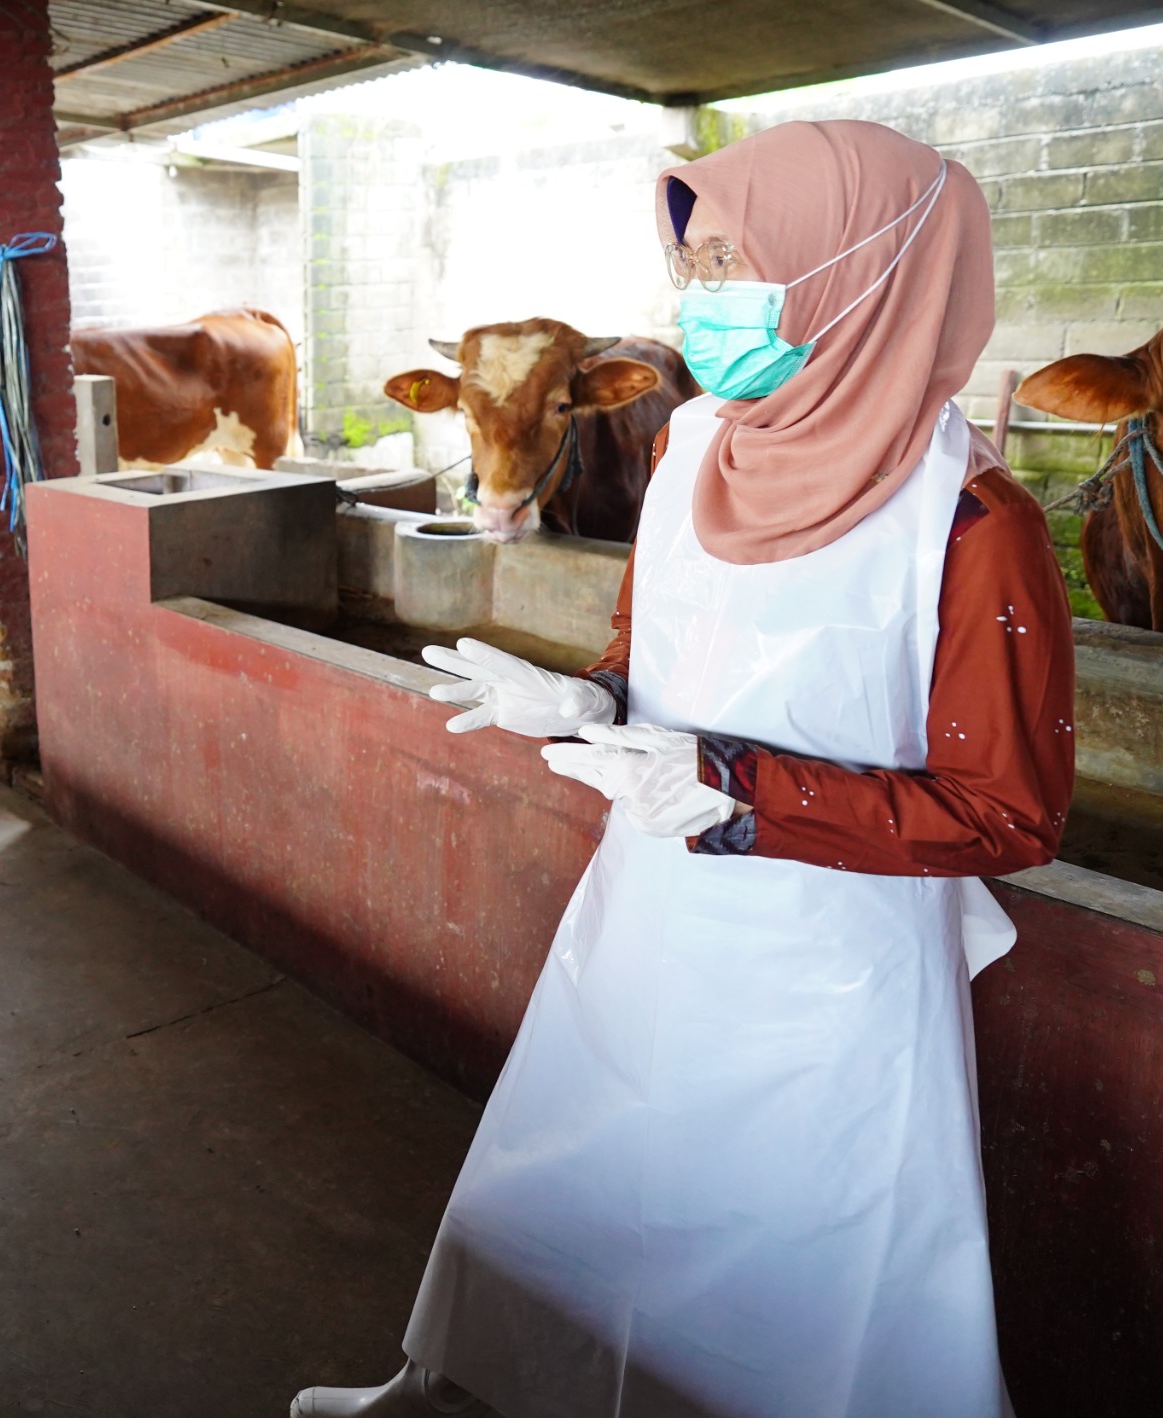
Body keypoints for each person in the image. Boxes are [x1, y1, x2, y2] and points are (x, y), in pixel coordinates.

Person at [294, 120, 1075, 1418]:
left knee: (795, 1262)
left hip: (830, 973)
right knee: (561, 1169)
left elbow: (1007, 812)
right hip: (649, 906)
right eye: (694, 264)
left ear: (863, 269)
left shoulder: (974, 523)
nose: (702, 299)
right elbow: (648, 648)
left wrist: (741, 788)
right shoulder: (692, 445)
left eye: (734, 261)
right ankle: (447, 1382)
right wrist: (586, 698)